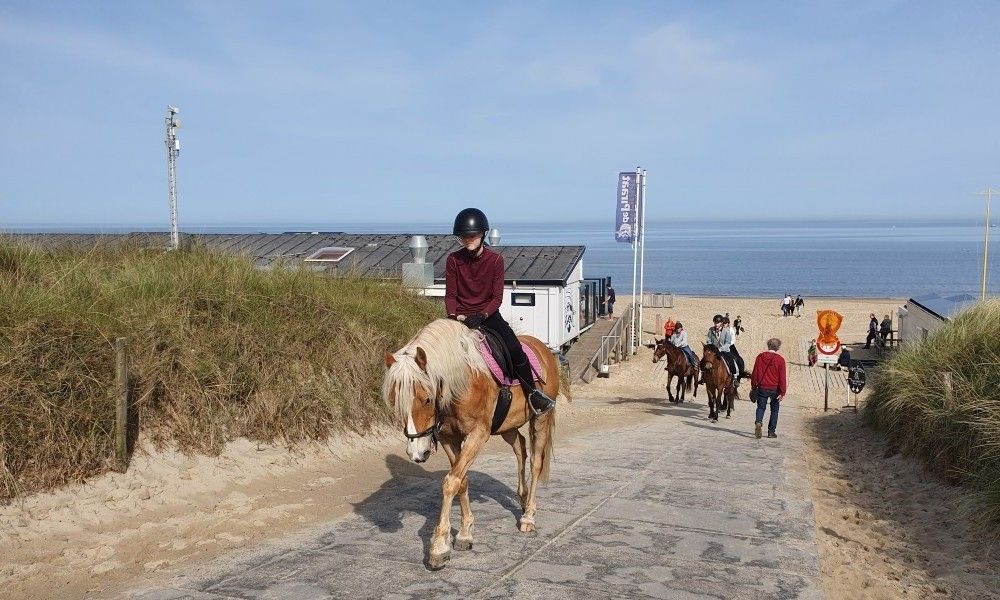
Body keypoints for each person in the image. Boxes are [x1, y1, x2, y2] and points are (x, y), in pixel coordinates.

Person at [446, 208, 555, 416]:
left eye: (472, 235)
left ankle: (533, 394)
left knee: (515, 350)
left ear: (482, 234)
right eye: (463, 237)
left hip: (488, 316)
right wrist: (452, 316)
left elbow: (496, 298)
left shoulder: (495, 261)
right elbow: (451, 294)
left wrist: (481, 316)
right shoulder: (453, 260)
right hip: (459, 318)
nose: (468, 240)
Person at [750, 338, 787, 439]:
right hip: (775, 389)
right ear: (778, 347)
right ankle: (771, 432)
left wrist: (753, 386)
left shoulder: (760, 357)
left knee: (761, 407)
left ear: (768, 345)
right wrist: (782, 392)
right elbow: (782, 377)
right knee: (774, 410)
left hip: (762, 387)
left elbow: (755, 373)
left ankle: (758, 421)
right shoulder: (780, 360)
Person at [706, 314, 745, 387]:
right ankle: (703, 377)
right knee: (704, 360)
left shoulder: (726, 331)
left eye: (718, 323)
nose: (716, 324)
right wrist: (711, 347)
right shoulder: (711, 330)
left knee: (732, 360)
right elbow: (708, 340)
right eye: (715, 322)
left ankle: (735, 378)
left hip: (724, 351)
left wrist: (720, 349)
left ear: (721, 323)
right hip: (714, 351)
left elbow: (728, 343)